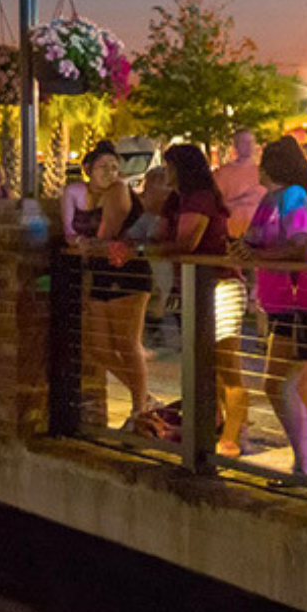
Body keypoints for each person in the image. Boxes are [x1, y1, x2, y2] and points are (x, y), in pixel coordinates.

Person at [237, 136, 307, 477]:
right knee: (304, 383)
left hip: (302, 300)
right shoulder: (271, 199)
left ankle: (306, 463)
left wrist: (255, 255)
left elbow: (301, 246)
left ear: (271, 165)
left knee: (279, 383)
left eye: (260, 159)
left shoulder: (293, 196)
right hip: (286, 301)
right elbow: (253, 240)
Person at [158, 143, 248, 455]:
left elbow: (187, 242)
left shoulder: (199, 199)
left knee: (227, 365)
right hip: (194, 289)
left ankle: (234, 435)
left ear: (181, 169)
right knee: (203, 364)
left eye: (168, 166)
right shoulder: (176, 200)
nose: (164, 172)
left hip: (219, 286)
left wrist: (143, 250)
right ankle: (213, 423)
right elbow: (162, 236)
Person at [64, 140, 151, 428]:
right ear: (88, 169)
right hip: (100, 271)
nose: (111, 172)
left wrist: (89, 243)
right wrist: (82, 244)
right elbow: (75, 235)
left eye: (115, 166)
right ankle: (145, 396)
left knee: (126, 342)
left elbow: (107, 231)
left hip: (127, 272)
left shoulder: (118, 190)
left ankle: (139, 409)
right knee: (97, 345)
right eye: (104, 166)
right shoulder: (86, 196)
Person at [214, 128, 265, 238]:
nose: (249, 145)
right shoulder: (223, 173)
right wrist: (242, 200)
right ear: (235, 146)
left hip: (260, 236)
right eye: (244, 142)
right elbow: (217, 206)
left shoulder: (264, 173)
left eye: (251, 142)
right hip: (232, 234)